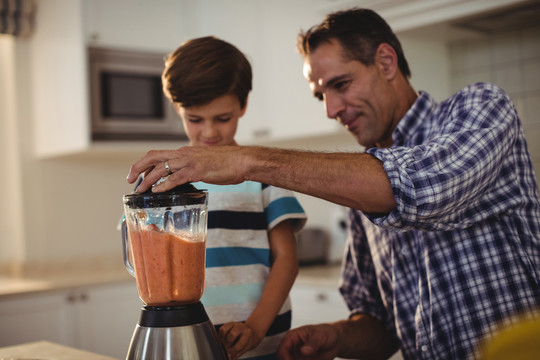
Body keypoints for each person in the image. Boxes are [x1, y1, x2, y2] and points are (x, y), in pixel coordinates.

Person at [126, 9, 540, 360]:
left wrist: (246, 159)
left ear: (386, 61)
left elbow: (423, 187)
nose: (331, 110)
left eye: (340, 85)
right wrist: (336, 336)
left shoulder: (482, 107)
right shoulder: (359, 188)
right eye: (319, 95)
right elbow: (380, 324)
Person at [158, 36, 307, 360]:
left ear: (243, 105)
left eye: (222, 118)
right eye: (195, 119)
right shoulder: (166, 183)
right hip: (191, 343)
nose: (209, 132)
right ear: (177, 109)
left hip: (264, 344)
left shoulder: (265, 173)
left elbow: (287, 260)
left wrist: (254, 328)